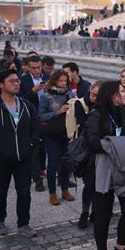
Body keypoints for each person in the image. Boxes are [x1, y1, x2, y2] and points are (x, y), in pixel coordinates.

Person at [0, 69, 40, 237]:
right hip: (1, 159)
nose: (17, 83)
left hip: (23, 158)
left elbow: (36, 128)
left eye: (17, 80)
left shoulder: (26, 105)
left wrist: (30, 145)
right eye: (12, 81)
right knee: (0, 190)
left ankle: (24, 223)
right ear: (1, 85)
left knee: (24, 192)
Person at [84, 80, 125, 250]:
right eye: (121, 91)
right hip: (102, 171)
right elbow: (92, 143)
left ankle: (121, 247)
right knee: (103, 213)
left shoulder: (123, 114)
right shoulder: (96, 115)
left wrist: (119, 144)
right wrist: (119, 144)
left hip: (123, 168)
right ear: (111, 95)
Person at [37, 70, 74, 205]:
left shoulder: (70, 93)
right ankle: (52, 193)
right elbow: (40, 116)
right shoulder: (46, 96)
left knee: (66, 162)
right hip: (51, 133)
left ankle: (64, 189)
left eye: (65, 81)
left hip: (66, 132)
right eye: (61, 81)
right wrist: (58, 112)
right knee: (52, 163)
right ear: (54, 81)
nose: (63, 84)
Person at [19, 55, 49, 191]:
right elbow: (20, 100)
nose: (37, 70)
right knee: (35, 149)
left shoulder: (47, 78)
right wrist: (33, 91)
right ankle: (37, 179)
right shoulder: (23, 80)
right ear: (28, 67)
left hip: (47, 118)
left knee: (45, 148)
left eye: (38, 67)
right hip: (32, 118)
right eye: (33, 68)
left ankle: (44, 170)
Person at [76, 81, 101, 230]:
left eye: (98, 96)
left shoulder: (104, 109)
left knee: (100, 186)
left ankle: (96, 212)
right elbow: (84, 123)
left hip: (100, 152)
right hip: (87, 152)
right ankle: (84, 212)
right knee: (89, 185)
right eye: (92, 94)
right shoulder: (82, 104)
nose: (94, 98)